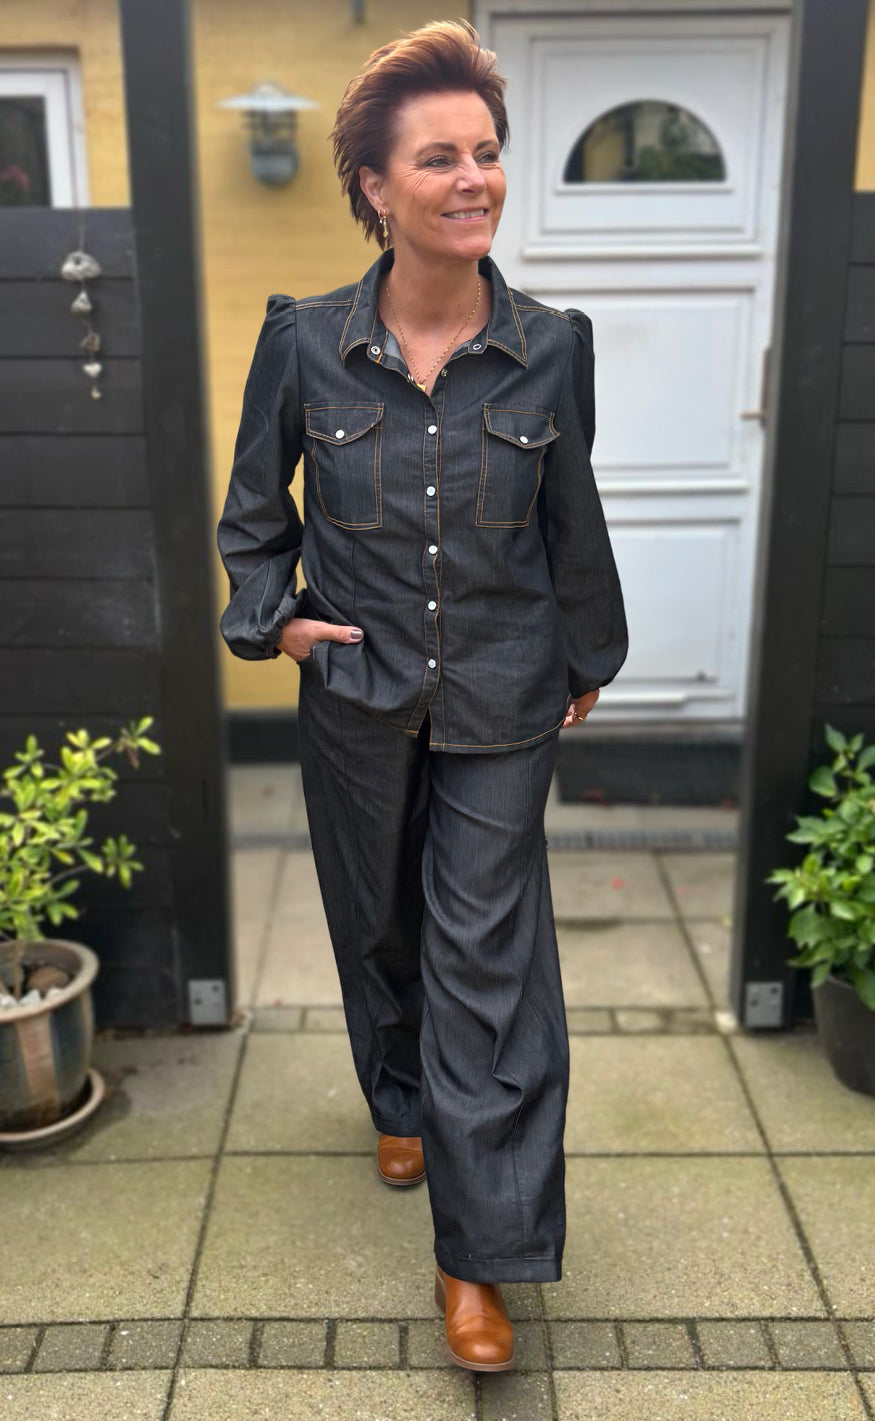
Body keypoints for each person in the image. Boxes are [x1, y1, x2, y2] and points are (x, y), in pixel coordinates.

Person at [217, 18, 628, 1374]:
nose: (473, 178)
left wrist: (586, 655)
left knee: (486, 966)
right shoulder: (306, 344)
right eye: (440, 157)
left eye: (486, 152)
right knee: (380, 920)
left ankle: (479, 1257)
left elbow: (572, 512)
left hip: (506, 694)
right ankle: (398, 1094)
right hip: (355, 694)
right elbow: (253, 515)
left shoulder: (552, 345)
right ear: (376, 188)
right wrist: (278, 624)